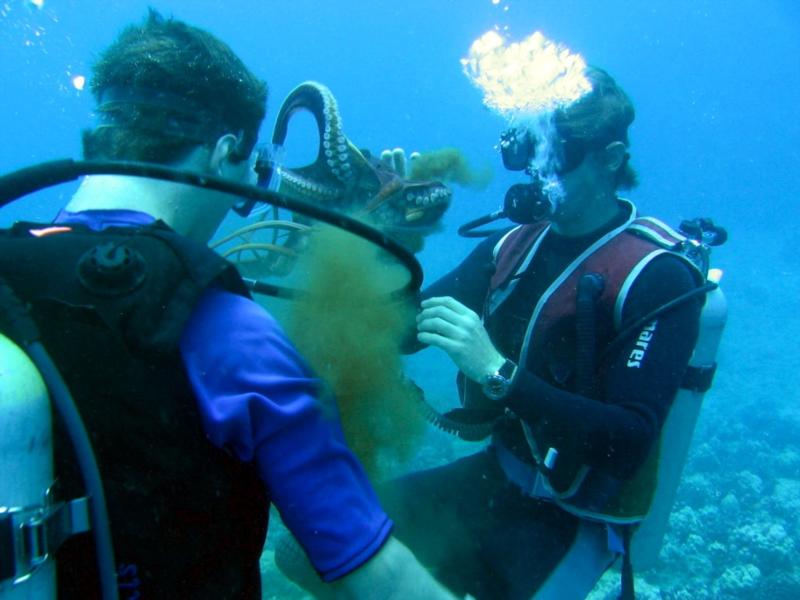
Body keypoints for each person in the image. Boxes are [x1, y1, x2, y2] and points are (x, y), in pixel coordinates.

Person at [0, 11, 454, 599]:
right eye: (251, 169)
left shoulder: (7, 273)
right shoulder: (229, 331)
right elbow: (374, 571)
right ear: (222, 154)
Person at [380, 67, 708, 599]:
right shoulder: (510, 247)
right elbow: (399, 332)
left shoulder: (659, 276)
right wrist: (393, 237)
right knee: (313, 551)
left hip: (574, 518)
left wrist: (496, 371)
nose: (538, 173)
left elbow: (626, 440)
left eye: (559, 156)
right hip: (494, 480)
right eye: (530, 152)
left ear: (610, 159)